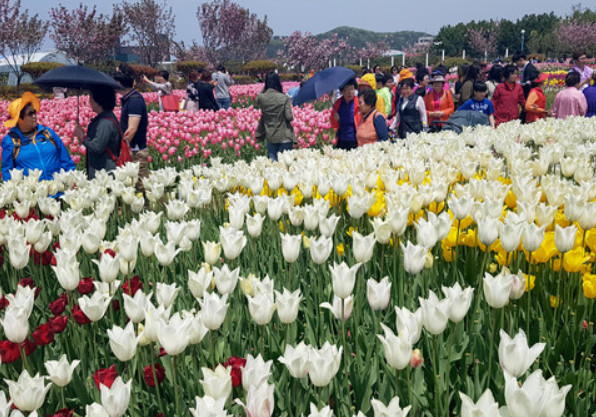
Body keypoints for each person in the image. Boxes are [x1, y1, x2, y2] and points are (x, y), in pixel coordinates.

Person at [2, 92, 75, 181]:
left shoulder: (47, 133)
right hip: (31, 189)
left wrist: (72, 179)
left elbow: (66, 161)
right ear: (20, 119)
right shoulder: (10, 141)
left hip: (57, 186)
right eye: (30, 114)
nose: (34, 116)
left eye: (34, 112)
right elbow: (8, 173)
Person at [114, 63, 149, 190]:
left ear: (119, 83)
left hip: (136, 151)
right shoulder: (129, 99)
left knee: (142, 186)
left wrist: (122, 147)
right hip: (132, 149)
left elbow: (132, 129)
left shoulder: (134, 101)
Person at [74, 87, 121, 179]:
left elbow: (97, 148)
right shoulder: (104, 118)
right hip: (101, 171)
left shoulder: (105, 123)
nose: (89, 101)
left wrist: (82, 136)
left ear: (98, 100)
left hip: (104, 174)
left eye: (91, 98)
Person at [255, 71, 296, 161]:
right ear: (278, 82)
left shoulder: (261, 97)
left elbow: (257, 98)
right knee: (286, 162)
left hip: (270, 135)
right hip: (284, 135)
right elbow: (289, 117)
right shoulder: (284, 97)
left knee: (273, 162)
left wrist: (266, 88)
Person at [330, 79, 360, 150]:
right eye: (347, 90)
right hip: (341, 140)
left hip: (355, 140)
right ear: (341, 91)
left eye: (352, 89)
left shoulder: (359, 103)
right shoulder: (337, 104)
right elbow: (333, 123)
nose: (350, 92)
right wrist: (335, 119)